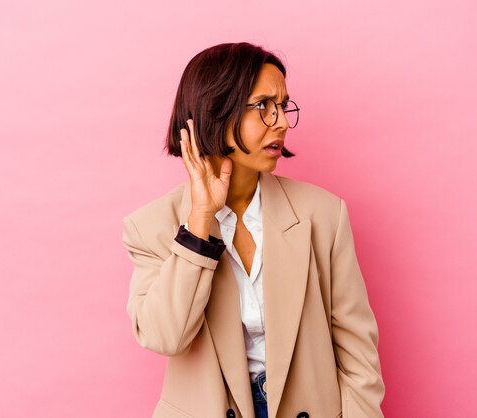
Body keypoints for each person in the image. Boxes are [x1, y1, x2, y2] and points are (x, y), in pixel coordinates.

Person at [122, 42, 385, 418]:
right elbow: (166, 336)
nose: (280, 121)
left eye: (282, 106)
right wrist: (199, 220)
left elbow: (359, 357)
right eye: (263, 106)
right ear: (217, 110)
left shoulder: (324, 214)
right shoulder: (150, 227)